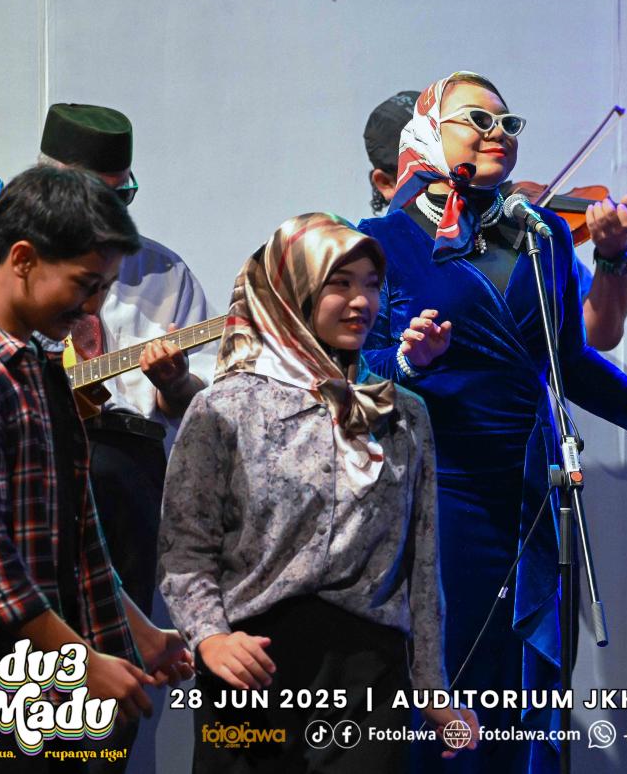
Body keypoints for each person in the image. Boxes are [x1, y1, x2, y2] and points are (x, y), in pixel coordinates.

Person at [358, 72, 627, 774]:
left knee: (522, 690)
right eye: (477, 120)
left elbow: (570, 360)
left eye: (507, 123)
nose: (498, 133)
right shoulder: (381, 240)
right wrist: (405, 360)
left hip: (531, 487)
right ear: (426, 134)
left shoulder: (544, 234)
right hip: (441, 489)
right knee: (448, 678)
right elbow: (349, 366)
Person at [0, 165, 192, 772]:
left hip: (40, 673)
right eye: (85, 284)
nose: (92, 306)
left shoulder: (35, 366)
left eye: (104, 288)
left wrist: (141, 633)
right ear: (23, 259)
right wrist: (81, 661)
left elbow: (79, 537)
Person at [158, 213, 477, 772]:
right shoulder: (225, 407)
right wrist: (210, 638)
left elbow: (422, 565)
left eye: (372, 284)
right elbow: (185, 551)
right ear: (294, 290)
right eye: (340, 283)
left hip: (370, 673)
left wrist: (432, 686)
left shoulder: (403, 414)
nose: (361, 302)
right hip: (253, 665)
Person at [0, 103, 215, 620]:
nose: (90, 305)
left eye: (121, 196)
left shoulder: (164, 271)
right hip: (8, 458)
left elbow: (206, 394)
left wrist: (176, 383)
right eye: (94, 196)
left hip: (126, 470)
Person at [364, 90, 627, 351]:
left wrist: (612, 256)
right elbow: (366, 363)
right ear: (386, 183)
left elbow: (598, 335)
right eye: (429, 166)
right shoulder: (376, 252)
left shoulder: (526, 229)